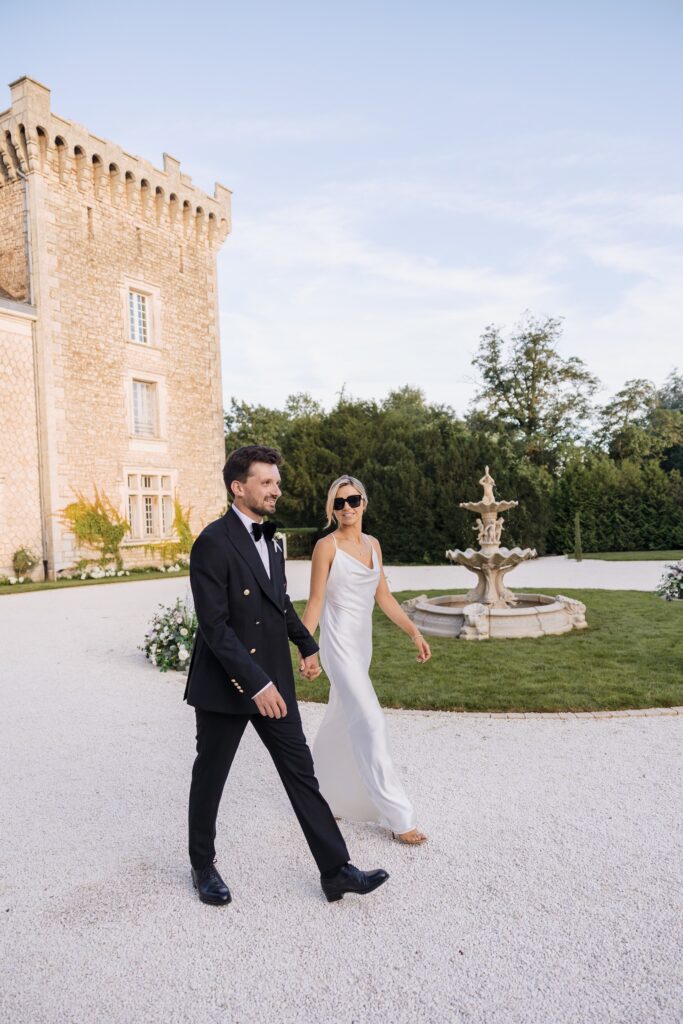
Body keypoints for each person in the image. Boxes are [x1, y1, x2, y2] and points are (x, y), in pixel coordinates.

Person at [184, 447, 389, 905]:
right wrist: (256, 684)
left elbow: (277, 604)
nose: (277, 489)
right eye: (267, 483)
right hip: (228, 686)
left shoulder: (273, 541)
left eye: (277, 482)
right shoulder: (212, 543)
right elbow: (214, 628)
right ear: (239, 488)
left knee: (302, 774)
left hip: (274, 678)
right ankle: (202, 865)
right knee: (211, 776)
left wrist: (307, 643)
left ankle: (335, 870)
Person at [301, 475, 431, 845]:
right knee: (371, 720)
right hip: (338, 646)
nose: (346, 508)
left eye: (352, 500)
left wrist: (415, 632)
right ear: (332, 508)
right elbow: (315, 602)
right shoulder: (326, 547)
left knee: (344, 717)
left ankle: (326, 793)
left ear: (364, 502)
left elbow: (384, 597)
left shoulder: (373, 544)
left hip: (362, 646)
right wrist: (306, 647)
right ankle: (399, 817)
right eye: (339, 502)